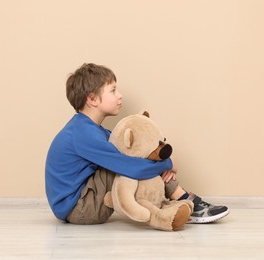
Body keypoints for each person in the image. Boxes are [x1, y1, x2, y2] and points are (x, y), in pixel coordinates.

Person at [45, 63, 229, 225]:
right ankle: (185, 200)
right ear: (92, 99)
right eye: (113, 90)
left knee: (135, 152)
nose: (120, 95)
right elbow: (131, 167)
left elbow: (133, 154)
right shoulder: (83, 134)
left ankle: (176, 202)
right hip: (79, 208)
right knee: (130, 166)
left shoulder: (90, 129)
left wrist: (165, 159)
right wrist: (167, 164)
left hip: (80, 204)